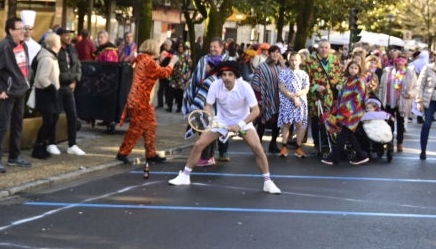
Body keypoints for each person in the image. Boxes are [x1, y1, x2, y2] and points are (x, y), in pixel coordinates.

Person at [169, 60, 279, 192]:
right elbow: (208, 106)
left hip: (243, 122)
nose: (226, 78)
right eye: (224, 74)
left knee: (258, 149)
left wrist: (240, 125)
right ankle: (185, 176)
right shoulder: (215, 85)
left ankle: (268, 182)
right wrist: (210, 119)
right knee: (199, 144)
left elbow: (256, 111)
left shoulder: (245, 87)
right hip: (221, 121)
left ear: (235, 76)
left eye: (230, 74)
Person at [117, 37, 176, 164]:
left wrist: (159, 60)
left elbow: (153, 71)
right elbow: (163, 73)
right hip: (140, 100)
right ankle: (123, 152)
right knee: (136, 128)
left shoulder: (142, 59)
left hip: (141, 99)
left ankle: (151, 153)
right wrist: (172, 62)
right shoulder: (148, 61)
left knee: (150, 125)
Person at [0, 16, 32, 173]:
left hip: (20, 91)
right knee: (3, 126)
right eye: (20, 29)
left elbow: (25, 67)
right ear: (11, 30)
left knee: (17, 125)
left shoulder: (23, 45)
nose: (23, 31)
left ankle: (14, 156)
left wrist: (26, 83)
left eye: (24, 28)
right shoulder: (3, 47)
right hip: (7, 93)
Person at [321, 59, 369, 166]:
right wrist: (337, 108)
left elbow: (358, 98)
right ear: (348, 68)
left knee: (343, 134)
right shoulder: (346, 80)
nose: (353, 70)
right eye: (351, 68)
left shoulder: (360, 81)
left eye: (355, 68)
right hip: (344, 111)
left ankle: (334, 158)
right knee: (348, 134)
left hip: (354, 112)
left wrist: (348, 109)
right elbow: (341, 95)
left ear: (359, 70)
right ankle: (362, 155)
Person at [31, 32, 62, 159]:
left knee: (52, 120)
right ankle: (38, 148)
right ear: (55, 44)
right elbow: (42, 78)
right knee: (48, 122)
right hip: (46, 94)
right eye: (59, 42)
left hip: (49, 93)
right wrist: (52, 88)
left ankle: (42, 146)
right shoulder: (47, 59)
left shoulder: (52, 57)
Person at [55, 27, 86, 155]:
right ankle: (51, 143)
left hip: (69, 86)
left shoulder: (72, 49)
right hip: (57, 87)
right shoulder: (55, 49)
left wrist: (75, 81)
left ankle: (72, 144)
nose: (69, 37)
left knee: (72, 116)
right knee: (54, 116)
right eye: (66, 35)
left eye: (70, 35)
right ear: (59, 37)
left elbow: (78, 66)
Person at [277, 49, 310, 157]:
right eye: (291, 60)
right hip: (287, 101)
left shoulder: (304, 74)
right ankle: (284, 146)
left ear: (300, 61)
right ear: (289, 61)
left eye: (296, 60)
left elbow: (306, 88)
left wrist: (297, 95)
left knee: (300, 124)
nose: (294, 62)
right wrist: (292, 96)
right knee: (287, 123)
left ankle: (298, 147)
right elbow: (282, 87)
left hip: (300, 102)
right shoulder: (283, 72)